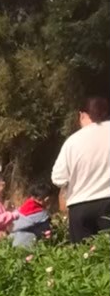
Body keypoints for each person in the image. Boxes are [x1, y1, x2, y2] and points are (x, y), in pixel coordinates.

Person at [51, 95, 110, 243]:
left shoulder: (72, 141)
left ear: (82, 115)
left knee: (83, 254)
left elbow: (58, 178)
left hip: (81, 206)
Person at [11, 182, 55, 250]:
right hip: (29, 246)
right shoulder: (42, 216)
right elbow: (47, 234)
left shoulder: (19, 211)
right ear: (47, 199)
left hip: (13, 243)